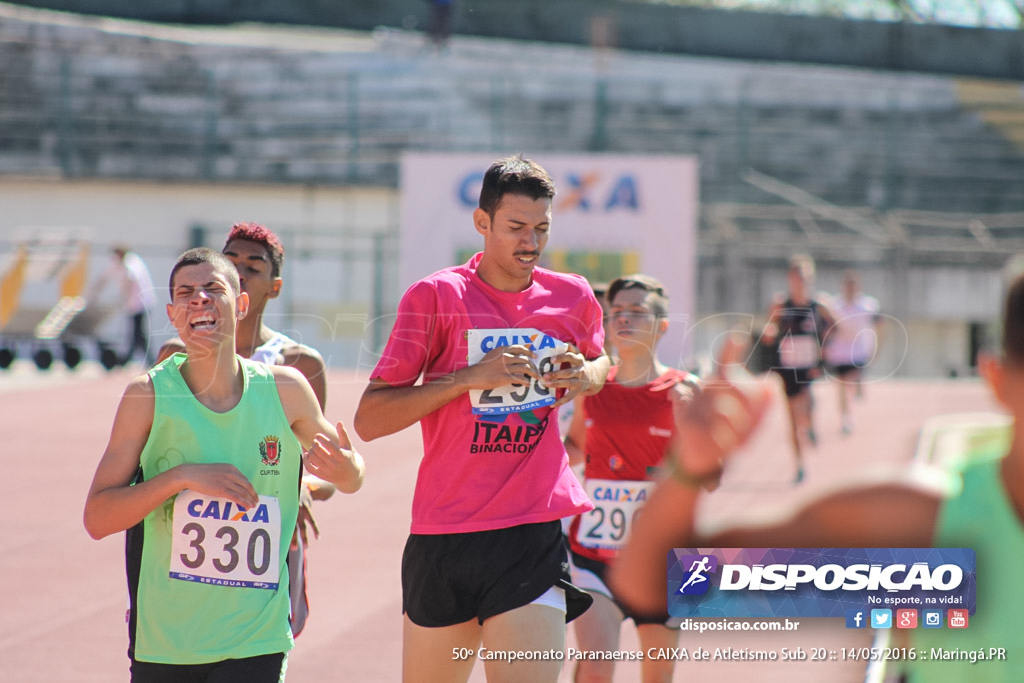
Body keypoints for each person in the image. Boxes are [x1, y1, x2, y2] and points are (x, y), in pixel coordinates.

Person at [609, 267, 1024, 683]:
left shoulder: (930, 528)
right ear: (995, 378)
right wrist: (690, 467)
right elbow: (656, 584)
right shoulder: (928, 531)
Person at [353, 154, 610, 683]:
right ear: (482, 222)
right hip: (444, 533)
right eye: (516, 227)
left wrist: (587, 374)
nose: (530, 242)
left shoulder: (573, 296)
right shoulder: (436, 296)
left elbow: (601, 361)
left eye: (541, 228)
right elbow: (371, 418)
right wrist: (467, 378)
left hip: (530, 532)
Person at [84, 247, 365, 682]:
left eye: (213, 288)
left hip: (256, 637)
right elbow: (98, 518)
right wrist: (182, 478)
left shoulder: (285, 390)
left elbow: (352, 473)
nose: (199, 299)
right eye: (186, 292)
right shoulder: (148, 396)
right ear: (173, 314)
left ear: (242, 303)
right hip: (168, 640)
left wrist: (345, 471)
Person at [156, 222, 333, 636]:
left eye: (254, 266)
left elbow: (320, 465)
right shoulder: (174, 357)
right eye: (232, 263)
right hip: (183, 532)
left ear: (274, 286)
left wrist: (305, 488)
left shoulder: (298, 365)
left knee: (258, 654)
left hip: (263, 537)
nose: (242, 272)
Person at [563, 274, 699, 683]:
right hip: (594, 554)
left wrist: (689, 423)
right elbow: (573, 447)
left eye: (637, 313)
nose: (623, 320)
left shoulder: (686, 391)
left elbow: (710, 477)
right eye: (616, 312)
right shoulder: (593, 387)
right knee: (596, 667)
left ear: (661, 325)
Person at [760, 254, 836, 483]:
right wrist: (770, 332)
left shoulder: (819, 305)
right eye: (796, 276)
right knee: (792, 418)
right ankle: (800, 464)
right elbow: (770, 326)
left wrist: (825, 345)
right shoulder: (780, 303)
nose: (800, 280)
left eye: (804, 276)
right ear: (789, 278)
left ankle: (810, 423)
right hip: (787, 364)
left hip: (809, 364)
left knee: (807, 400)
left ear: (810, 278)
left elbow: (834, 326)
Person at [823, 269, 882, 435]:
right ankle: (845, 417)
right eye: (847, 286)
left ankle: (858, 386)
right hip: (839, 352)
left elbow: (879, 324)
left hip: (858, 352)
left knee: (852, 380)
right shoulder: (834, 306)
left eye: (853, 286)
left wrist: (876, 346)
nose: (850, 289)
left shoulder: (868, 305)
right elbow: (827, 326)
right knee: (841, 386)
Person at [88, 244, 157, 366]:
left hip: (141, 303)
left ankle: (138, 359)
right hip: (133, 304)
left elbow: (131, 278)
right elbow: (105, 277)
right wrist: (95, 293)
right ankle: (132, 358)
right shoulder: (121, 263)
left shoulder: (132, 262)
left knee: (138, 333)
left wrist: (123, 296)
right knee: (136, 332)